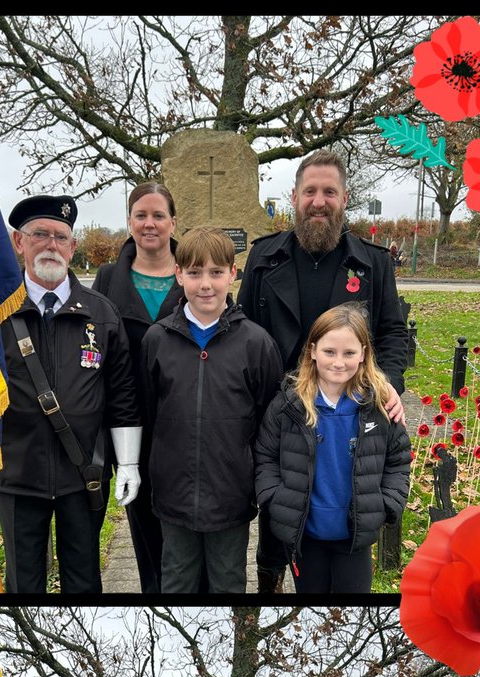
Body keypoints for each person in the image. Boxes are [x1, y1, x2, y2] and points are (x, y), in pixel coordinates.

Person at [0, 195, 143, 593]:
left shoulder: (100, 313)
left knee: (84, 582)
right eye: (40, 234)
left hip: (83, 474)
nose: (51, 244)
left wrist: (129, 463)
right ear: (19, 242)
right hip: (16, 471)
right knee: (22, 584)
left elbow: (121, 396)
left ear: (72, 246)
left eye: (60, 237)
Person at [238, 150, 407, 593]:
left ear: (344, 198)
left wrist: (386, 386)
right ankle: (269, 587)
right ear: (293, 196)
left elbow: (392, 334)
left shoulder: (372, 263)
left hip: (346, 411)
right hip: (279, 413)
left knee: (336, 501)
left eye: (329, 192)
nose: (319, 201)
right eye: (310, 191)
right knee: (279, 525)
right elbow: (242, 333)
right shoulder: (263, 258)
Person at [140, 227, 283, 592]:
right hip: (173, 492)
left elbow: (268, 419)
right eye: (195, 273)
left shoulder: (256, 343)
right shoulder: (157, 340)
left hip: (230, 494)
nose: (206, 284)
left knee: (228, 580)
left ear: (232, 274)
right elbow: (148, 411)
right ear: (179, 274)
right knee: (177, 579)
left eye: (216, 273)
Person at [254, 305, 411, 593]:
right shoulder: (288, 407)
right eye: (329, 352)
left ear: (363, 354)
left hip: (354, 538)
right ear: (313, 351)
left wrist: (386, 504)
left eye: (349, 353)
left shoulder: (379, 408)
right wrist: (275, 500)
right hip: (307, 537)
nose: (339, 363)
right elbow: (265, 457)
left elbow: (398, 461)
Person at [93, 182, 185, 593]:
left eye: (158, 215)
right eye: (141, 215)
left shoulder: (194, 273)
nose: (149, 224)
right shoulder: (109, 279)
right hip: (128, 427)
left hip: (185, 425)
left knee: (185, 532)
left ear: (173, 222)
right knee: (146, 532)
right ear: (129, 223)